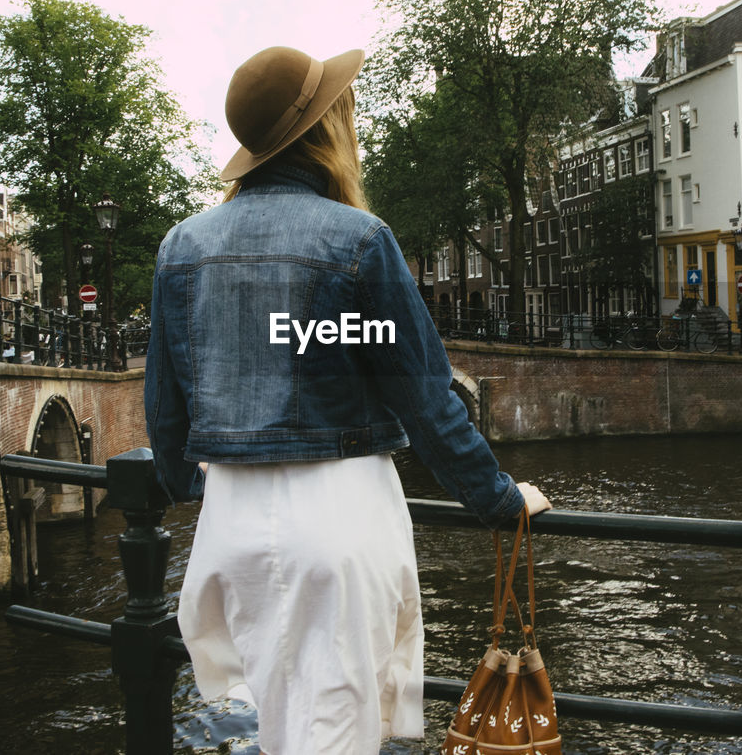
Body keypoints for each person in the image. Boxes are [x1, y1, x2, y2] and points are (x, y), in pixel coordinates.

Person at [145, 45, 551, 755]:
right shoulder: (359, 240)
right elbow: (424, 395)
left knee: (278, 727)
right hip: (336, 518)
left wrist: (187, 483)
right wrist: (499, 499)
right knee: (335, 734)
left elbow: (166, 406)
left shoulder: (182, 245)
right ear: (327, 129)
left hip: (230, 522)